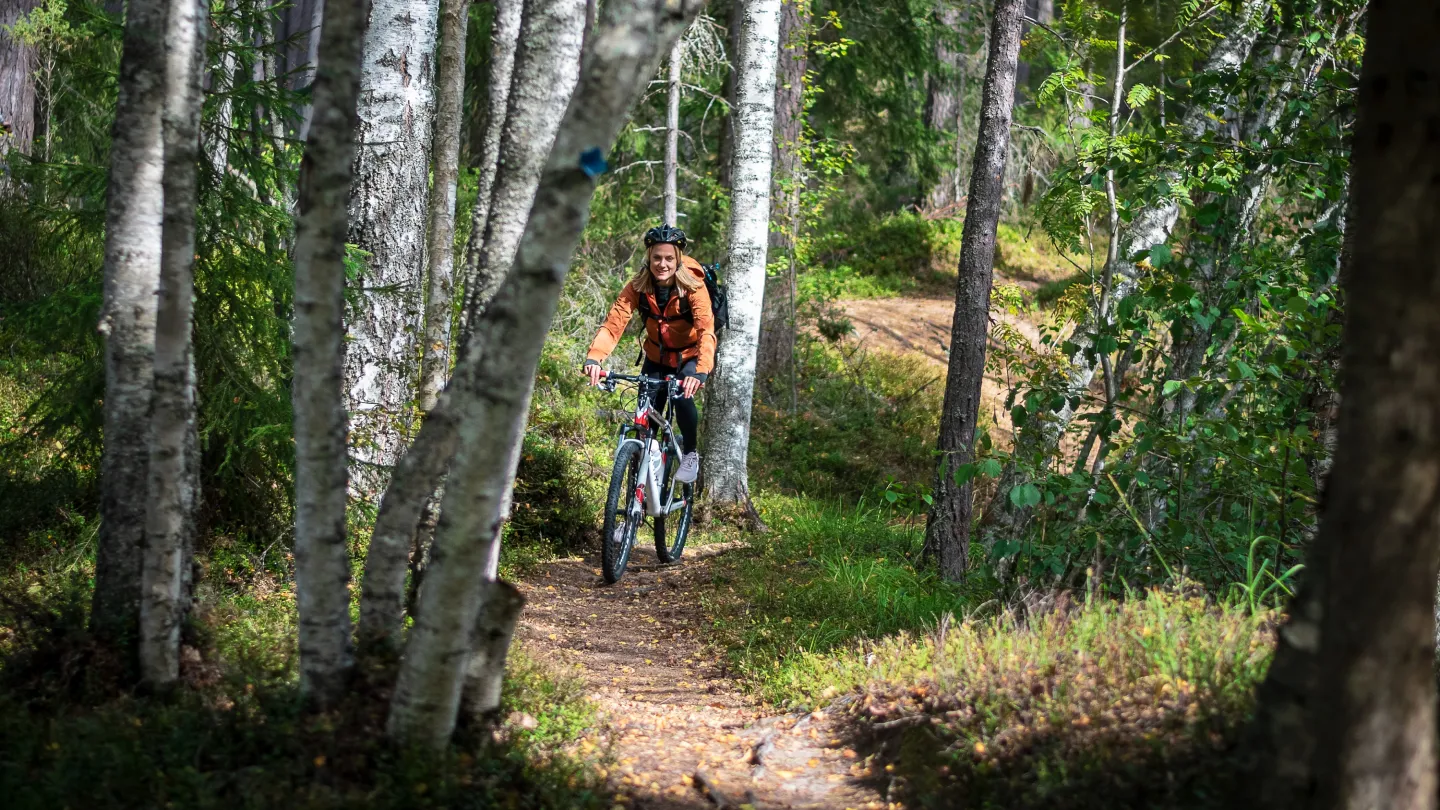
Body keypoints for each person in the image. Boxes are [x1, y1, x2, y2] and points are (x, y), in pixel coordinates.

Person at [584, 224, 714, 484]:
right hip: (656, 358)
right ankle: (638, 502)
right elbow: (614, 324)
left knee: (681, 397)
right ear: (649, 257)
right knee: (645, 425)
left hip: (688, 358)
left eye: (668, 258)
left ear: (677, 259)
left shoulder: (694, 287)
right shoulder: (638, 286)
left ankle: (690, 453)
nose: (662, 264)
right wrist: (595, 357)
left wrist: (700, 372)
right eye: (657, 257)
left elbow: (706, 331)